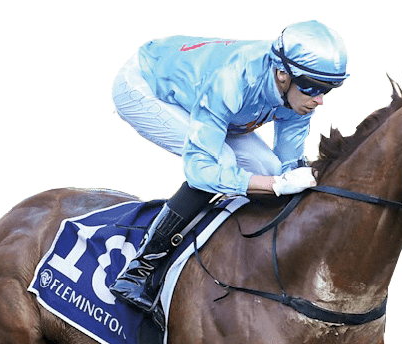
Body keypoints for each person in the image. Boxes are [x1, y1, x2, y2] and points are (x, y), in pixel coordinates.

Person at [109, 19, 351, 312]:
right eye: (313, 87)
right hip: (146, 86)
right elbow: (201, 171)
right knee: (220, 163)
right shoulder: (234, 79)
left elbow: (288, 165)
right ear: (283, 74)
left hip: (207, 101)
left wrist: (296, 180)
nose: (320, 100)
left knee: (268, 167)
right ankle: (139, 271)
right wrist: (273, 185)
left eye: (328, 89)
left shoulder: (298, 96)